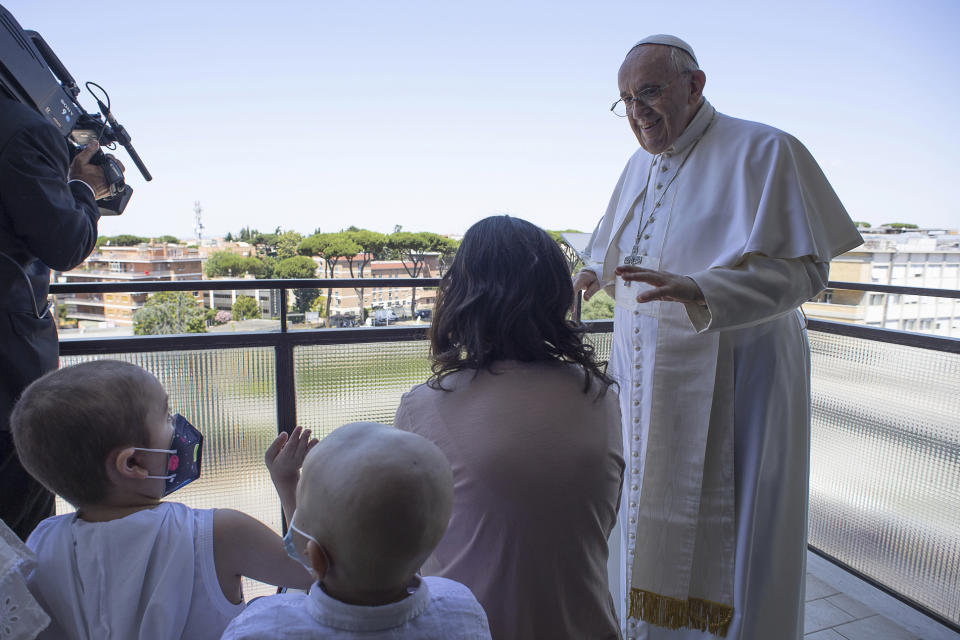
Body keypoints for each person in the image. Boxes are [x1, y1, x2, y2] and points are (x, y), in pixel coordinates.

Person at [572, 35, 863, 639]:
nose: (636, 111)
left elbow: (808, 271)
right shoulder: (637, 166)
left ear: (694, 85)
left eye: (648, 91)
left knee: (736, 526)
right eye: (624, 100)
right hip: (645, 381)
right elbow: (608, 250)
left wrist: (703, 289)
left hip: (741, 375)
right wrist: (585, 274)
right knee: (645, 509)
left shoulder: (766, 150)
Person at [394, 215, 625, 639]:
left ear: (462, 295)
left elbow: (397, 557)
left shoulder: (423, 407)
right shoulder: (602, 398)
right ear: (556, 295)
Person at [9, 359, 314, 639]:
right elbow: (314, 574)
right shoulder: (220, 532)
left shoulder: (40, 544)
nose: (178, 426)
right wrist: (288, 482)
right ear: (133, 464)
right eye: (167, 416)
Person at [221, 421, 492, 639]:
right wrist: (289, 480)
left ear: (315, 557)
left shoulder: (260, 628)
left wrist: (285, 479)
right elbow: (325, 554)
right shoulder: (461, 611)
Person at [0, 95, 115, 541]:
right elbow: (66, 243)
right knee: (19, 538)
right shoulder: (22, 129)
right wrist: (83, 188)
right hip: (8, 378)